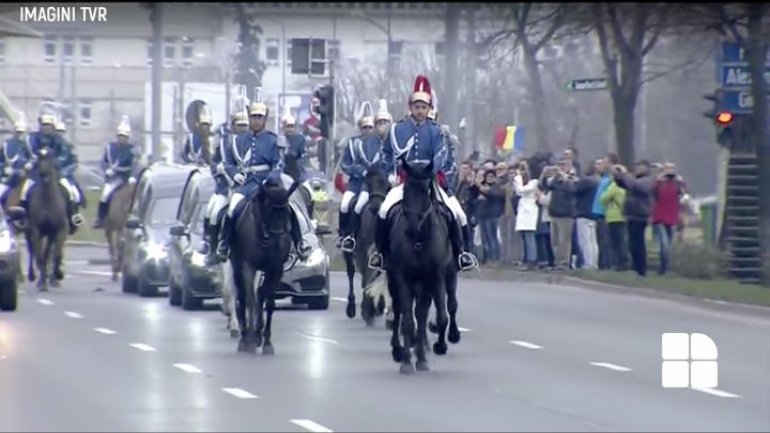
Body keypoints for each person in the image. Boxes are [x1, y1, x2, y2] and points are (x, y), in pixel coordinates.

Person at [369, 75, 477, 272]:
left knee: (458, 214)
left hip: (430, 181)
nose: (420, 111)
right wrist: (390, 174)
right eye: (416, 107)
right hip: (404, 182)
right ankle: (381, 254)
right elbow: (385, 155)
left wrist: (429, 173)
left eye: (423, 107)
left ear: (429, 109)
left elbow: (440, 156)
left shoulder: (437, 131)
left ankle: (463, 254)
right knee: (384, 211)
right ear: (410, 107)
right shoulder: (396, 129)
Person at [215, 96, 312, 262]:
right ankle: (224, 244)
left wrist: (269, 180)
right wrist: (234, 174)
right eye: (253, 117)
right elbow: (229, 163)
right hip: (245, 185)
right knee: (232, 209)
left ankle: (300, 243)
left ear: (265, 119)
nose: (256, 120)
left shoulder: (272, 140)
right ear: (249, 117)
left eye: (260, 117)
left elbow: (278, 164)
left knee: (287, 207)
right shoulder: (238, 141)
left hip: (268, 185)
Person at [199, 104, 249, 261]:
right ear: (232, 125)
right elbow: (214, 162)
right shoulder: (223, 142)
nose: (242, 128)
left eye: (245, 125)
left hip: (249, 186)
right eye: (239, 125)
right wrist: (219, 169)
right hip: (226, 187)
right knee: (213, 213)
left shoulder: (254, 141)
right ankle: (212, 248)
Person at [20, 112, 83, 234]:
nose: (46, 127)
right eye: (44, 125)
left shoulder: (59, 140)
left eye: (48, 125)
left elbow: (64, 157)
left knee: (73, 193)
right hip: (36, 174)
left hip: (57, 174)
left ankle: (73, 217)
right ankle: (23, 218)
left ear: (52, 126)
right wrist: (27, 164)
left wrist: (59, 167)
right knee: (24, 192)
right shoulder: (33, 138)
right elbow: (26, 154)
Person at [337, 101, 377, 252]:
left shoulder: (379, 143)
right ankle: (343, 235)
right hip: (355, 183)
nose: (367, 130)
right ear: (360, 128)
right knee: (344, 205)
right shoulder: (352, 143)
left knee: (360, 206)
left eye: (370, 127)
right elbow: (346, 164)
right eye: (364, 127)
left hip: (370, 184)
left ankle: (354, 236)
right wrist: (359, 171)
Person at [93, 116, 137, 229]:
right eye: (120, 136)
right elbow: (104, 162)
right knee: (104, 196)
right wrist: (107, 170)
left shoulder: (132, 150)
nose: (122, 139)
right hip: (113, 179)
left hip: (126, 178)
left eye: (124, 136)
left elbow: (134, 165)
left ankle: (136, 219)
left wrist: (132, 176)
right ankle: (100, 218)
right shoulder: (110, 147)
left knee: (137, 198)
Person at [613, 160, 654, 277]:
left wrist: (626, 174)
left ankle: (641, 269)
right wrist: (618, 176)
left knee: (638, 243)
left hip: (640, 214)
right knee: (632, 243)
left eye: (640, 167)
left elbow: (636, 186)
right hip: (631, 214)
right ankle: (635, 267)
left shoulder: (647, 180)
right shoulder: (634, 179)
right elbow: (623, 184)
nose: (637, 169)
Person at [651, 162, 688, 275]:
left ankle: (665, 269)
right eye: (667, 168)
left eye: (672, 168)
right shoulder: (659, 183)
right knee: (664, 245)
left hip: (672, 217)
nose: (669, 171)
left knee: (669, 245)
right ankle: (663, 268)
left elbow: (684, 196)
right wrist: (658, 179)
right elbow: (652, 194)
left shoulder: (678, 184)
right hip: (660, 217)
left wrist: (681, 181)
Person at [55, 120, 86, 234]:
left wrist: (63, 172)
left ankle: (74, 217)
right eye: (57, 132)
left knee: (74, 195)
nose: (59, 134)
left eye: (61, 132)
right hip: (50, 176)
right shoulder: (50, 145)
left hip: (64, 176)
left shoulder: (69, 146)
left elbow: (74, 163)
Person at [0, 114, 31, 208]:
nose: (19, 134)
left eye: (21, 132)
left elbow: (34, 159)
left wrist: (30, 165)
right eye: (18, 132)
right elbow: (1, 161)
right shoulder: (6, 145)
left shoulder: (30, 145)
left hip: (26, 178)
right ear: (14, 132)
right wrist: (4, 169)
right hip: (9, 179)